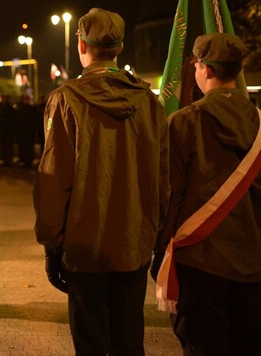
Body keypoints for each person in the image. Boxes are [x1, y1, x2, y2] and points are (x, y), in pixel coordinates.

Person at [33, 8, 169, 355]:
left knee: (91, 342)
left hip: (84, 246)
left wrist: (52, 242)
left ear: (81, 44)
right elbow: (162, 175)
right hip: (134, 243)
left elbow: (54, 178)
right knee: (129, 339)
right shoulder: (149, 102)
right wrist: (158, 233)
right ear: (119, 47)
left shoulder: (67, 99)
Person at [151, 33, 261, 354]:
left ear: (206, 70)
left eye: (197, 64)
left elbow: (168, 196)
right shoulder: (259, 124)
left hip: (200, 264)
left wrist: (161, 252)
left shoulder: (183, 123)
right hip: (254, 264)